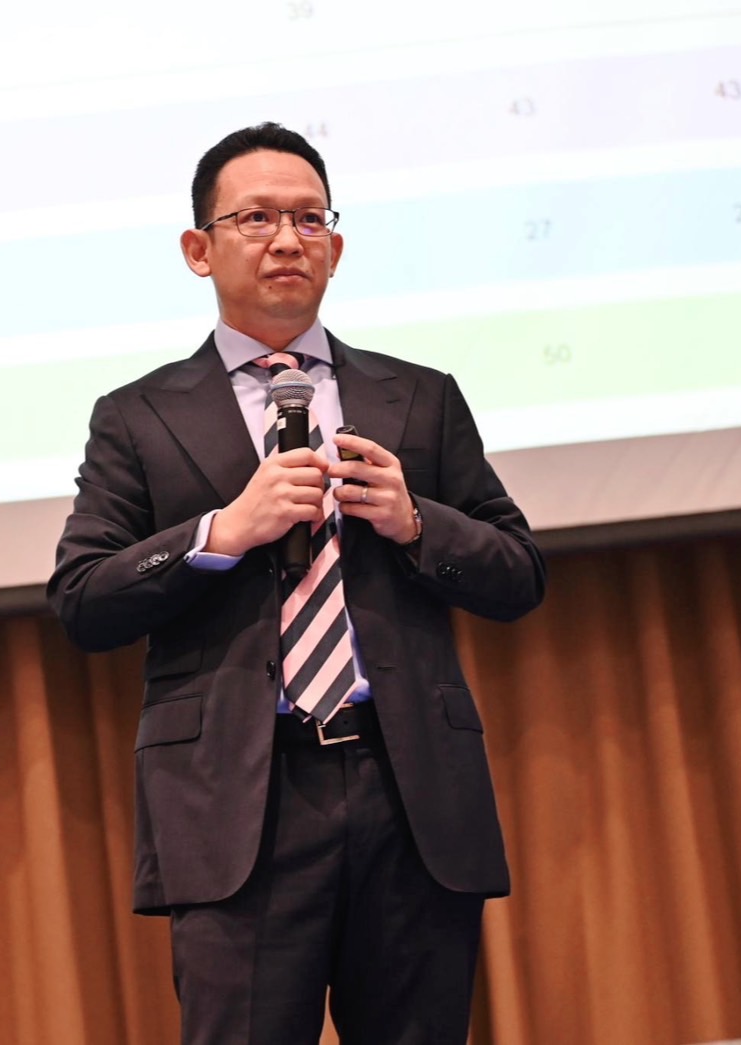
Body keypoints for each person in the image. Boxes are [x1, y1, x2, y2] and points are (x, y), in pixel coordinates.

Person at [46, 122, 547, 1043]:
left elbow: (518, 574)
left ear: (336, 248)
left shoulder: (418, 396)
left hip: (409, 796)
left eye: (310, 219)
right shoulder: (138, 417)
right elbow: (82, 599)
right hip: (240, 804)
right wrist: (220, 532)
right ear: (199, 249)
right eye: (257, 218)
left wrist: (416, 522)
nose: (287, 239)